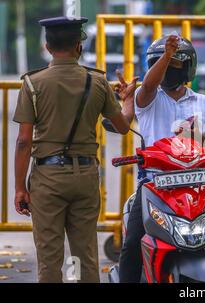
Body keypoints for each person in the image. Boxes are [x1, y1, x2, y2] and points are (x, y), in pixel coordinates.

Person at [13, 16, 137, 283]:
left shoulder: (33, 84)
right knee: (84, 256)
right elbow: (124, 126)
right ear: (79, 46)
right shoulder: (97, 82)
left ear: (47, 47)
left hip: (47, 179)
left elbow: (23, 141)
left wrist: (20, 187)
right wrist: (127, 100)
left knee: (49, 257)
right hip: (85, 176)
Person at [118, 34, 205, 283]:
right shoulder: (148, 99)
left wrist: (199, 135)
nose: (165, 70)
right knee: (132, 243)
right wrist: (166, 56)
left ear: (188, 67)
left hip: (200, 186)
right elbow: (150, 85)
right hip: (156, 185)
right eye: (159, 64)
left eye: (173, 64)